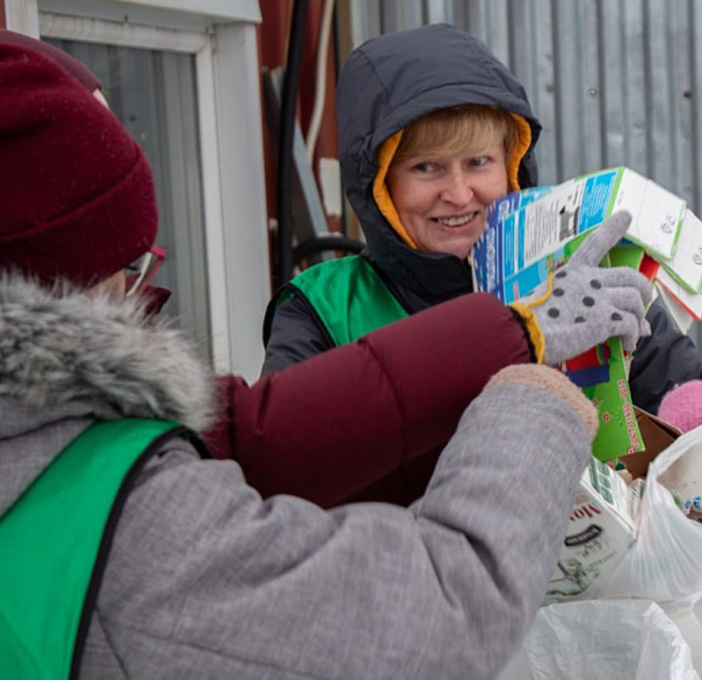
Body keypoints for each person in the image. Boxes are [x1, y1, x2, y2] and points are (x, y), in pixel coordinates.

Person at [0, 41, 649, 679]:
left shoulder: (564, 267)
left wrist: (521, 331)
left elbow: (250, 432)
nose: (459, 193)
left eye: (478, 161)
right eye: (131, 267)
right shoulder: (126, 519)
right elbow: (434, 619)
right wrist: (530, 397)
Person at [262, 23, 702, 500]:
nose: (459, 194)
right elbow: (283, 465)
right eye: (426, 167)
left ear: (513, 164)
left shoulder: (578, 276)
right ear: (377, 186)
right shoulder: (323, 310)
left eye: (478, 162)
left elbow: (696, 402)